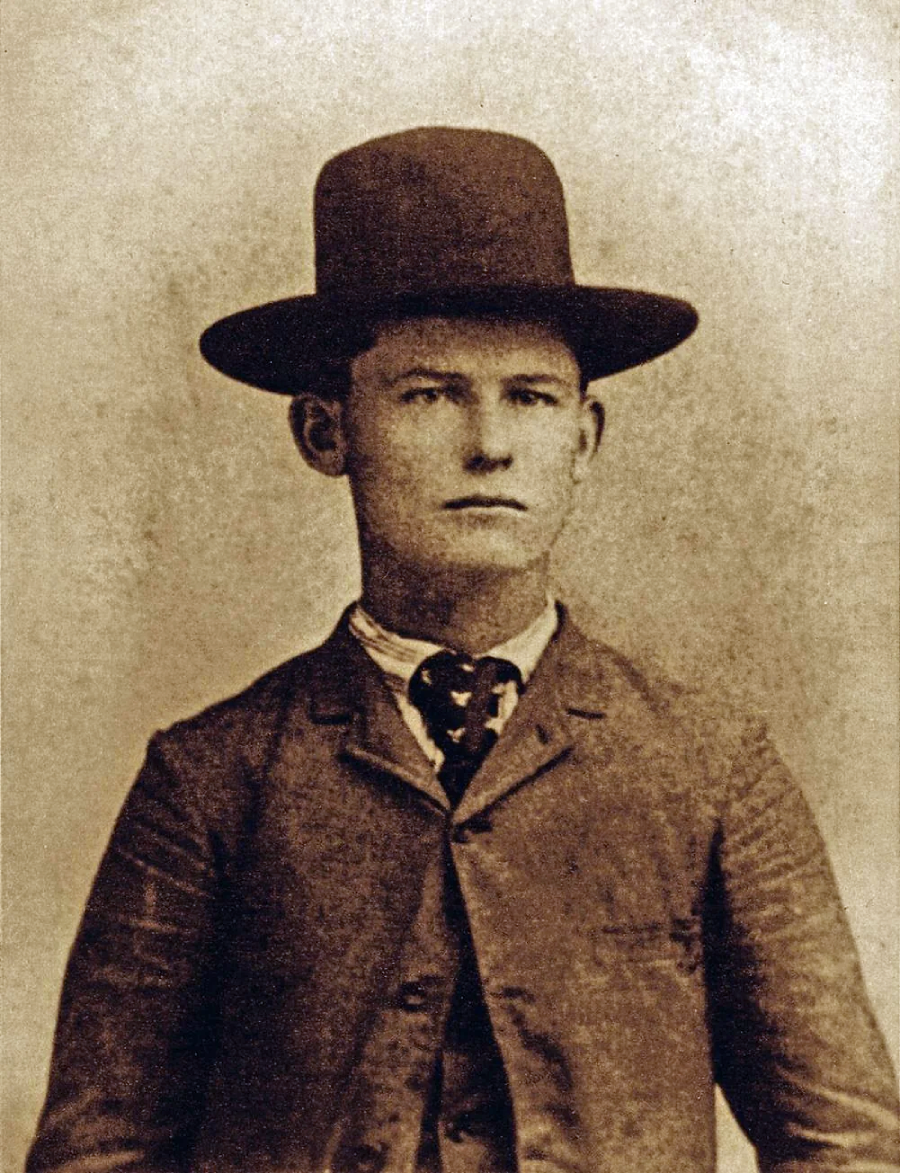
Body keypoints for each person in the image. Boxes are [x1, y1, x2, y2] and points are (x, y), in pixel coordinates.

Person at [27, 128, 899, 1173]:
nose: (489, 443)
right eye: (430, 394)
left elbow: (846, 1145)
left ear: (584, 438)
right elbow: (97, 1153)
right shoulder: (212, 780)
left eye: (530, 397)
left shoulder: (710, 768)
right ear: (325, 432)